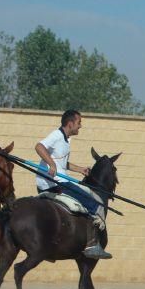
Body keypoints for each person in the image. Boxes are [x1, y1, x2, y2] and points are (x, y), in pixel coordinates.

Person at [35, 109, 112, 260]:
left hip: (61, 180)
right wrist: (51, 164)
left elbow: (62, 163)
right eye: (79, 123)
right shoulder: (57, 135)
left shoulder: (66, 140)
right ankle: (91, 245)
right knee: (93, 202)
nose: (80, 126)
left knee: (89, 196)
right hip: (53, 183)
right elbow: (39, 146)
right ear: (70, 124)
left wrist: (80, 169)